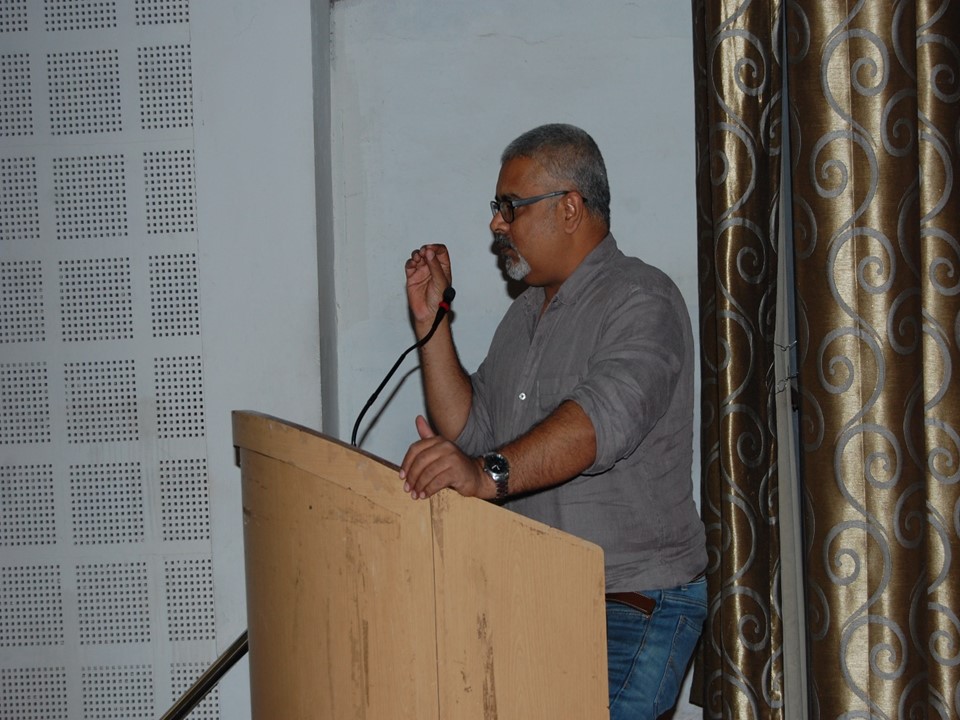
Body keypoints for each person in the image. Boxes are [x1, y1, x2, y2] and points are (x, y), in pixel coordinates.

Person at [399, 123, 707, 720]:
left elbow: (598, 423)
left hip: (630, 602)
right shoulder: (523, 316)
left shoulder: (642, 298)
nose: (497, 223)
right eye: (497, 207)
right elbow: (472, 432)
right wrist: (430, 324)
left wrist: (484, 474)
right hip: (536, 600)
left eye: (510, 206)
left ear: (569, 207)